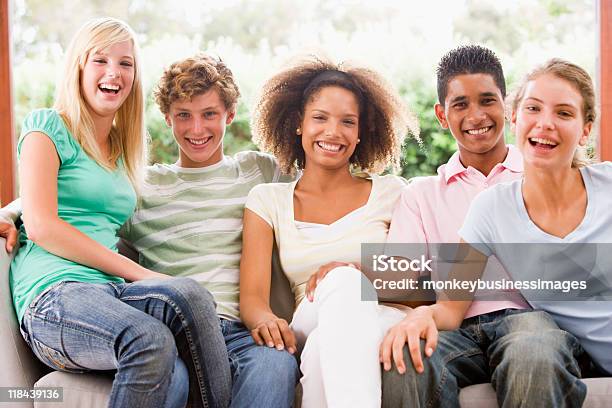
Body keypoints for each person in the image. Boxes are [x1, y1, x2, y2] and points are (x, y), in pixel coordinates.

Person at [7, 18, 231, 408]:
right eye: (100, 60)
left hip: (110, 294)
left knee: (193, 295)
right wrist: (9, 216)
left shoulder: (124, 151)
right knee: (150, 339)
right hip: (55, 297)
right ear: (79, 66)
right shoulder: (47, 126)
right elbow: (41, 224)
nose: (114, 72)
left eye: (125, 63)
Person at [383, 54, 609, 408]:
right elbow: (400, 284)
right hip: (459, 329)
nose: (476, 116)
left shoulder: (546, 167)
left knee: (532, 346)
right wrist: (355, 273)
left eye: (487, 101)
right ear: (442, 115)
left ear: (505, 109)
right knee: (406, 356)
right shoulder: (426, 195)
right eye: (461, 104)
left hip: (531, 324)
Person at [239, 54, 419, 407]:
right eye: (320, 118)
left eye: (347, 122)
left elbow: (420, 287)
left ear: (361, 132)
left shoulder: (392, 193)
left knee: (324, 348)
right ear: (298, 124)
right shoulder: (267, 200)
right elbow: (253, 299)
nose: (333, 132)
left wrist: (359, 273)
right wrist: (264, 320)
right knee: (340, 288)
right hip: (309, 315)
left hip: (383, 317)